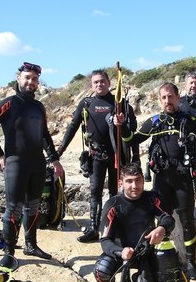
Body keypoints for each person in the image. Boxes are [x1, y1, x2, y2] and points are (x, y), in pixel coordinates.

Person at [117, 82, 196, 280]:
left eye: (171, 97)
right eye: (164, 97)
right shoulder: (155, 121)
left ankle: (190, 262)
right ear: (160, 100)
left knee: (187, 221)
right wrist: (122, 125)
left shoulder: (190, 120)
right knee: (162, 220)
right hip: (161, 179)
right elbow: (131, 139)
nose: (168, 101)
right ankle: (163, 259)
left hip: (183, 179)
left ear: (178, 98)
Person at [0, 62, 65, 268]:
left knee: (33, 205)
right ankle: (8, 252)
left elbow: (44, 135)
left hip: (37, 163)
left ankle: (31, 245)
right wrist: (0, 154)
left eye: (34, 79)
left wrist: (54, 159)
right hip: (15, 163)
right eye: (27, 78)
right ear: (18, 78)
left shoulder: (39, 107)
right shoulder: (9, 103)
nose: (31, 82)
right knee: (14, 208)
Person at [57, 70, 137, 243]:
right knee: (95, 191)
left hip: (116, 155)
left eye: (102, 81)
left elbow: (133, 130)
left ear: (109, 83)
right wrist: (60, 150)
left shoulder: (119, 104)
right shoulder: (87, 103)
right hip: (96, 156)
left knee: (116, 192)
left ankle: (115, 226)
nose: (99, 84)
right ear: (92, 85)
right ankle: (94, 228)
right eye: (96, 82)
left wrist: (122, 123)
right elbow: (73, 126)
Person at [97, 162, 175, 282]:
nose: (134, 186)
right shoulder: (113, 205)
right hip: (121, 252)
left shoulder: (152, 198)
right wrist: (121, 251)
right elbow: (105, 241)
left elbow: (168, 218)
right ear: (121, 183)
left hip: (146, 251)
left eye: (138, 180)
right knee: (102, 270)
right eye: (129, 181)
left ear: (143, 180)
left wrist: (162, 228)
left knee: (176, 272)